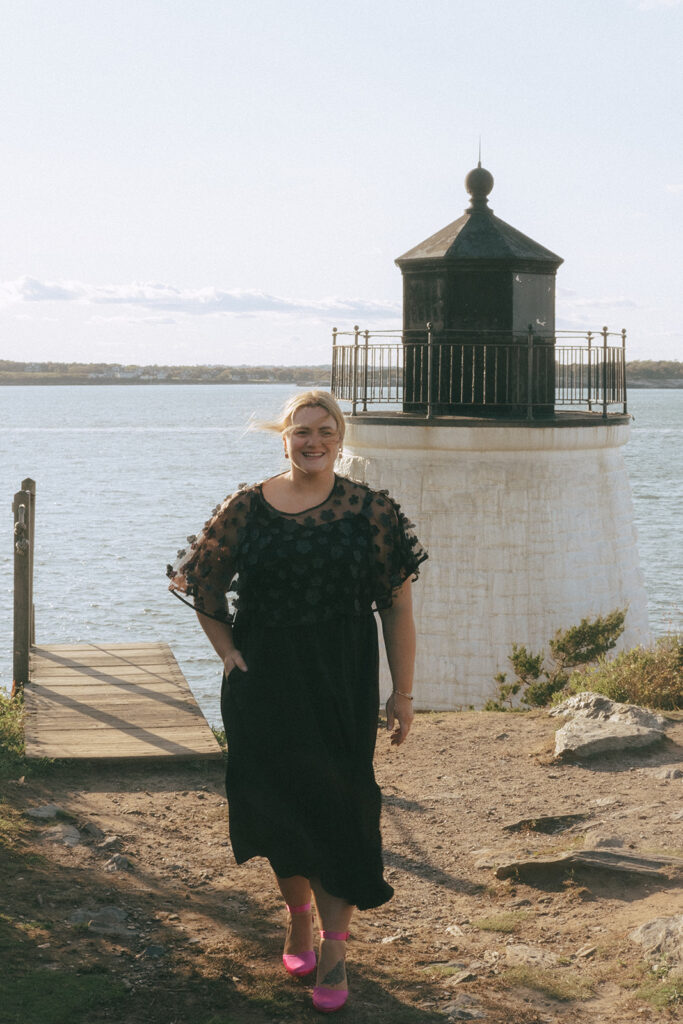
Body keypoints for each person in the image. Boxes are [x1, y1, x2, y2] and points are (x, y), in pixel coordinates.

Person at [167, 390, 427, 1013]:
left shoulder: (371, 510)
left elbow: (397, 608)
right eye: (300, 431)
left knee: (342, 803)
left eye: (324, 430)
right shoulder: (246, 507)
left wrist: (404, 692)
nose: (312, 441)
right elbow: (202, 578)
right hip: (265, 677)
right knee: (278, 802)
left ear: (341, 438)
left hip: (341, 674)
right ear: (283, 437)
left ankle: (335, 951)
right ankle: (298, 917)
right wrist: (226, 650)